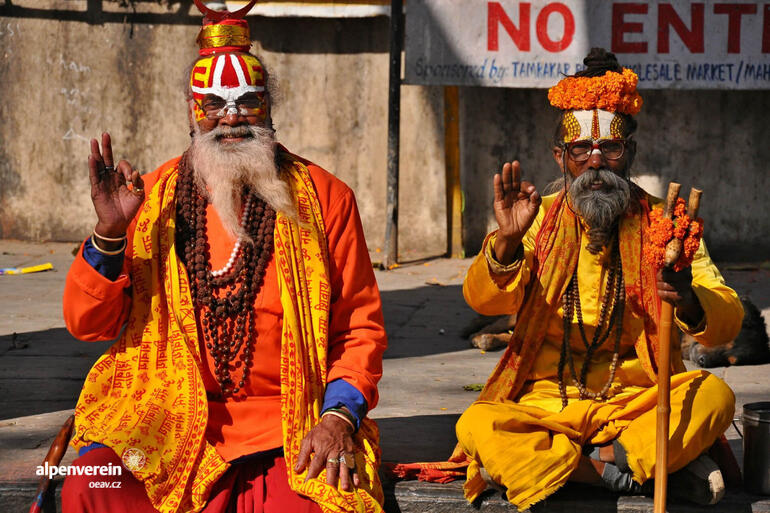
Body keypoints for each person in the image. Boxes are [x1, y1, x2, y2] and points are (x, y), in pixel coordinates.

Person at [60, 9, 386, 513]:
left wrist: (339, 417)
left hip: (290, 424)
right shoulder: (154, 200)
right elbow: (87, 326)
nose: (231, 118)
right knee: (90, 481)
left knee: (331, 500)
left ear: (269, 106)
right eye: (214, 104)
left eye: (247, 103)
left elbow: (359, 330)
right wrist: (109, 234)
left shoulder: (325, 200)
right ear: (193, 111)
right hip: (163, 422)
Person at [454, 48, 743, 510]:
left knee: (713, 395)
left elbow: (727, 319)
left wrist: (688, 297)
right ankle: (626, 471)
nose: (595, 162)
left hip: (638, 403)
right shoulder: (537, 219)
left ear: (629, 153)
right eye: (580, 150)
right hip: (546, 404)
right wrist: (506, 244)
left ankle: (572, 467)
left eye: (609, 147)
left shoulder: (666, 223)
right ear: (560, 156)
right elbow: (484, 303)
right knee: (477, 423)